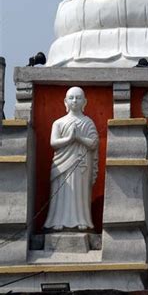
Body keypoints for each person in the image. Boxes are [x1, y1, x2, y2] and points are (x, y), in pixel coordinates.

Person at [44, 87, 98, 231]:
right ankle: (58, 220)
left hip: (81, 165)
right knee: (61, 194)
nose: (74, 101)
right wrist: (69, 138)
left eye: (78, 98)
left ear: (84, 102)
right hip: (61, 163)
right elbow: (53, 143)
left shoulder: (88, 122)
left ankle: (82, 220)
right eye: (71, 97)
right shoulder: (59, 122)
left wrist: (78, 137)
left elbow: (93, 143)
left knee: (79, 192)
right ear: (65, 101)